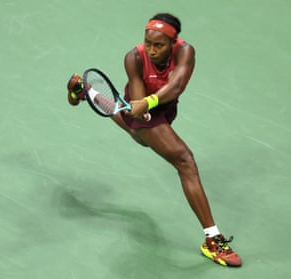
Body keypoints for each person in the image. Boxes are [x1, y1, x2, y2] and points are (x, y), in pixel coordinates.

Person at [66, 13, 242, 267]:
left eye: (158, 45)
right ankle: (213, 240)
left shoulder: (186, 53)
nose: (151, 50)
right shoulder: (134, 58)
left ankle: (85, 90)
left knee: (139, 137)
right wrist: (142, 108)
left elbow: (177, 85)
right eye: (148, 43)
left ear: (173, 43)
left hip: (164, 104)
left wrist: (147, 104)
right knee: (185, 161)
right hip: (145, 104)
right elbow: (140, 98)